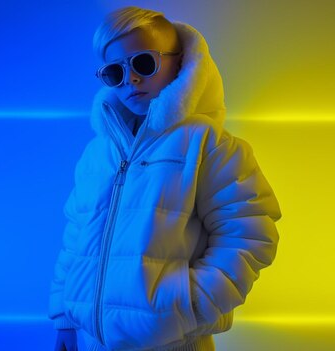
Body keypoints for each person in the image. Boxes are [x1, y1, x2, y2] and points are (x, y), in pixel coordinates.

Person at [49, 6, 282, 351]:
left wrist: (183, 307)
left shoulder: (209, 146)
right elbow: (75, 236)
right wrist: (64, 319)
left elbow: (250, 234)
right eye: (115, 72)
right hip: (94, 341)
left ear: (179, 61)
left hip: (175, 342)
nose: (131, 79)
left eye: (144, 62)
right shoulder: (98, 154)